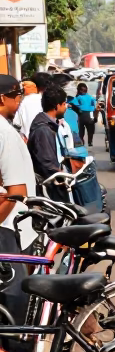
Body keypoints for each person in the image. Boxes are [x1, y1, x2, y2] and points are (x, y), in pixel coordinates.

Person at [0, 75, 38, 326]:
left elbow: (15, 192)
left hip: (9, 228)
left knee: (12, 303)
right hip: (11, 225)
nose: (20, 103)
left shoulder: (3, 131)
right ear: (2, 98)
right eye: (17, 97)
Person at [28, 85, 71, 202]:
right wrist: (62, 176)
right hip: (50, 191)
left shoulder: (48, 125)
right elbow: (47, 164)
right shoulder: (43, 130)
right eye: (64, 104)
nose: (66, 107)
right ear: (57, 106)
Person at [14, 72, 51, 141]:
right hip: (43, 141)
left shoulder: (24, 100)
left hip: (26, 142)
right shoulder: (45, 100)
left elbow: (16, 123)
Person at [72, 82, 97, 146]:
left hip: (81, 115)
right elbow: (95, 106)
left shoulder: (77, 97)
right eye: (83, 90)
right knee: (90, 129)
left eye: (84, 90)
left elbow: (73, 105)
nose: (83, 91)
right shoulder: (91, 97)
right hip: (89, 114)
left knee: (81, 129)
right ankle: (90, 141)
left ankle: (82, 141)